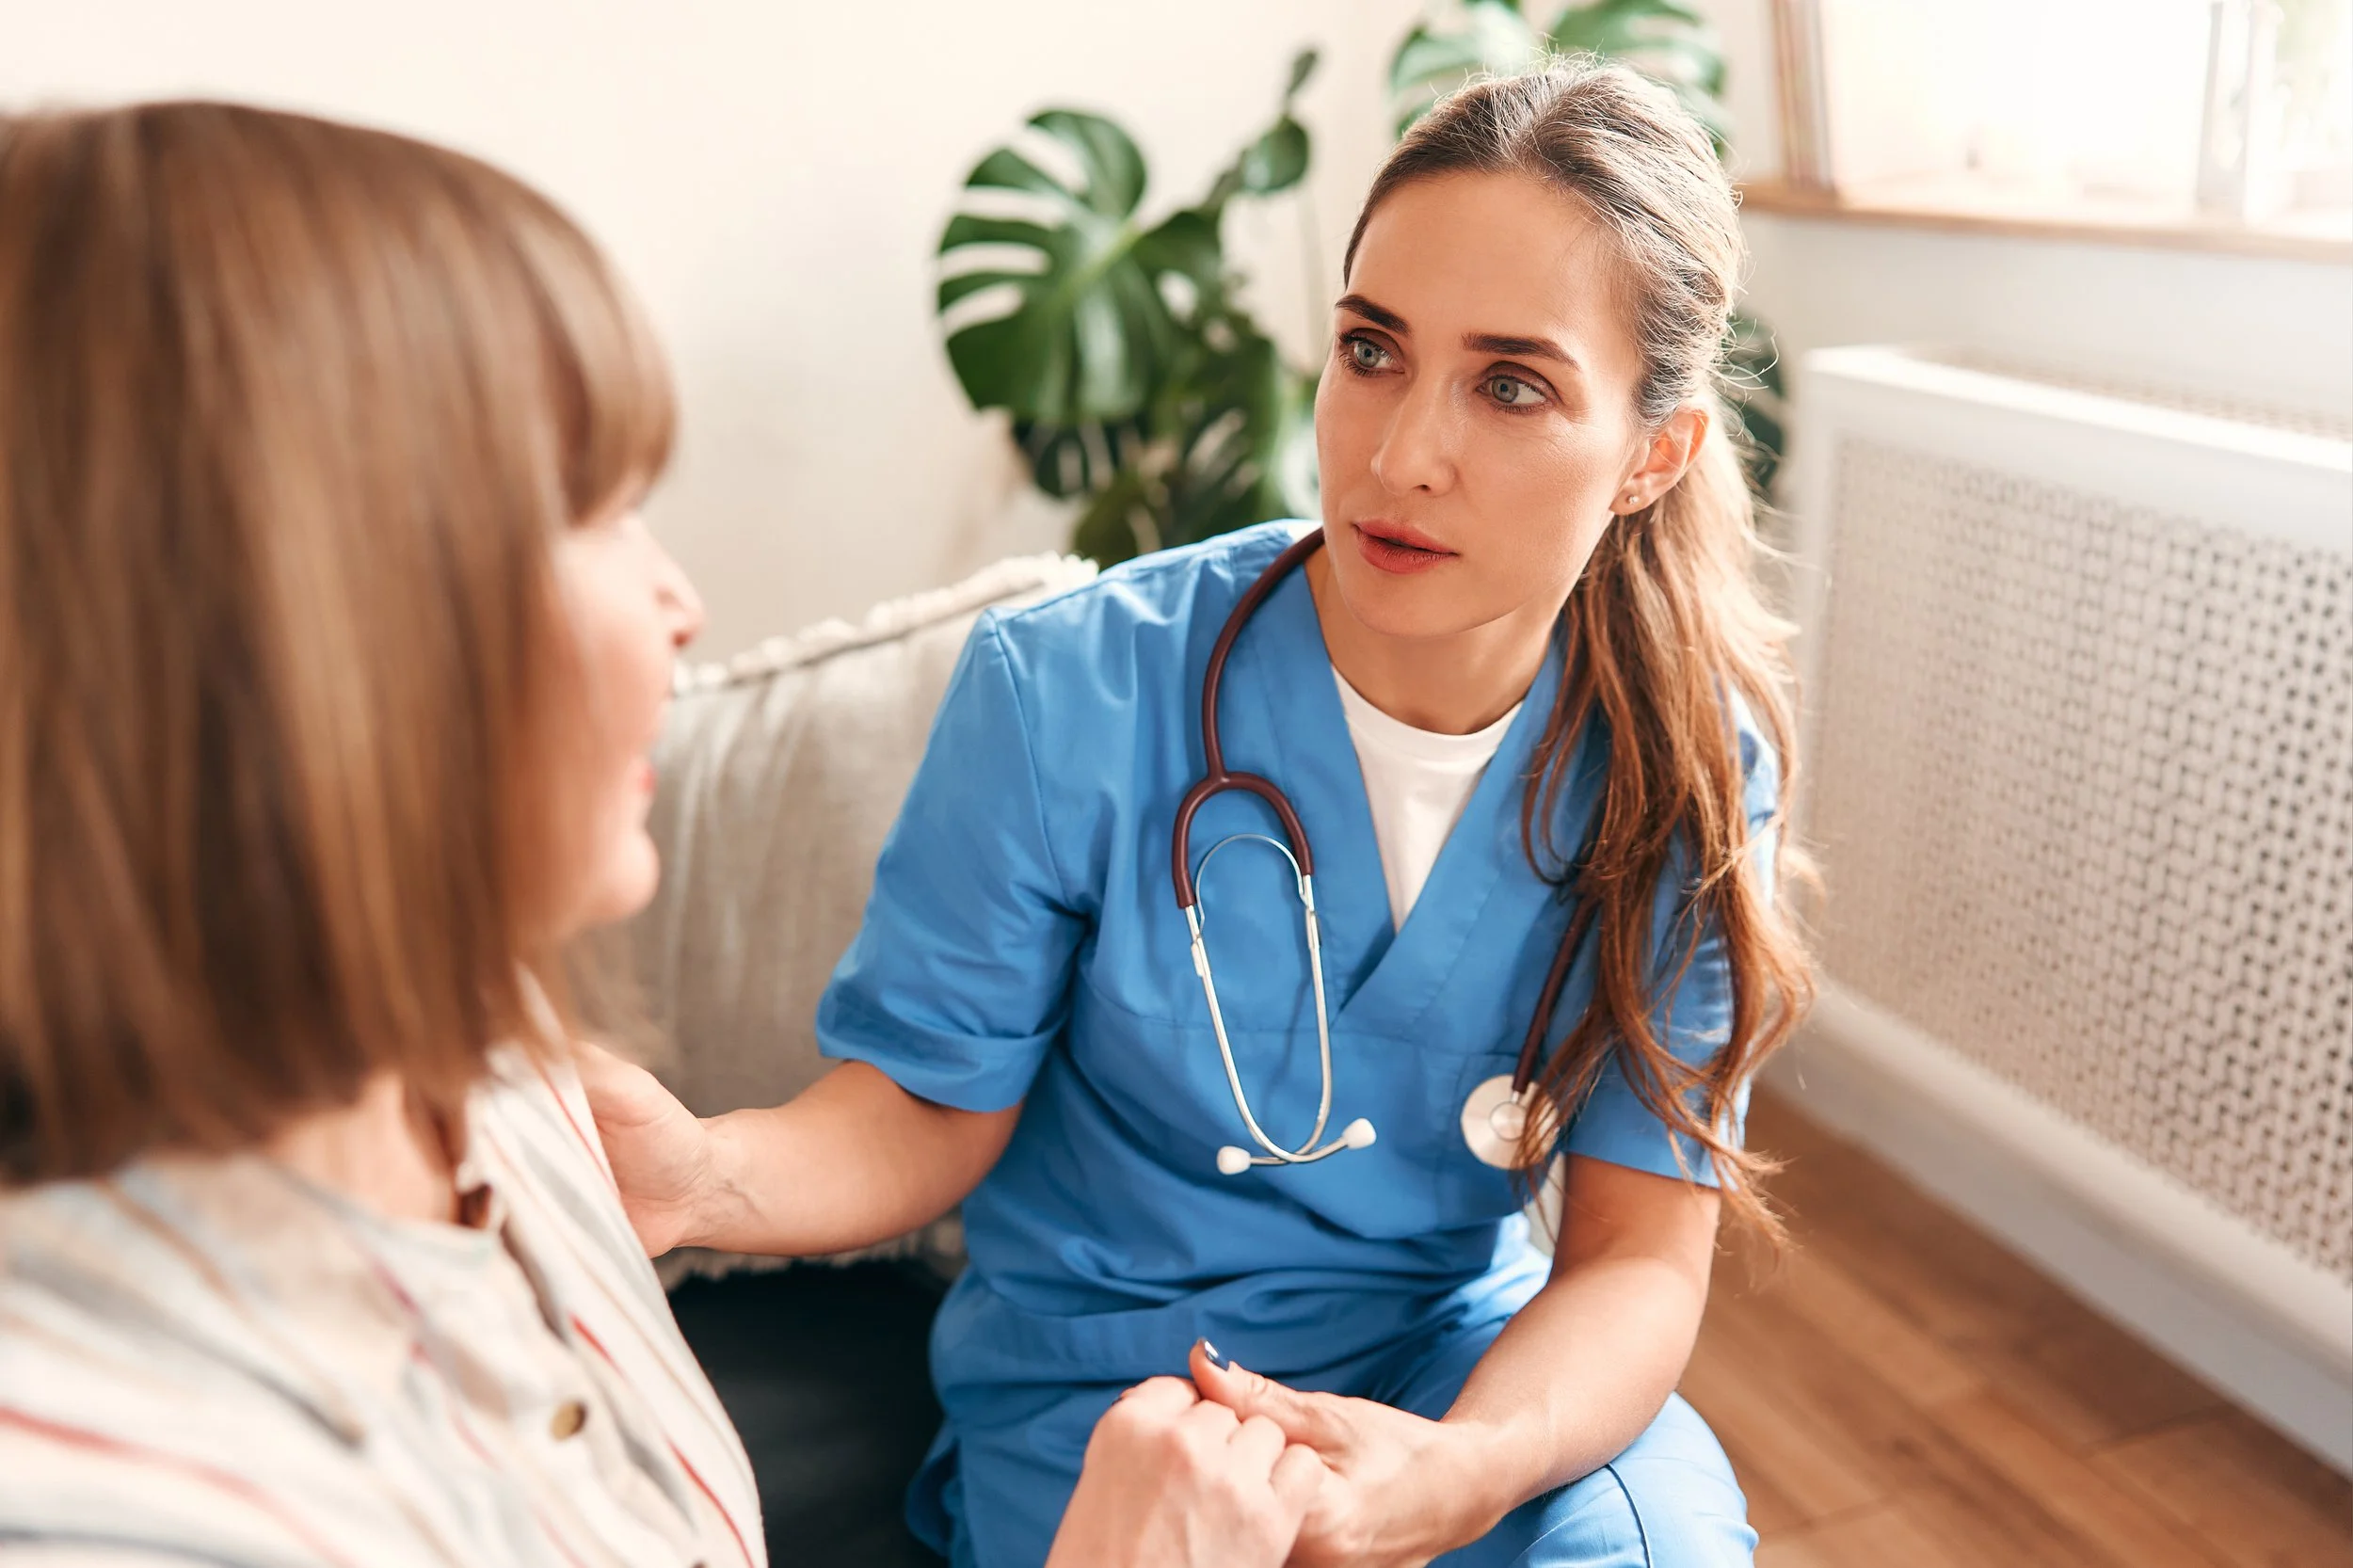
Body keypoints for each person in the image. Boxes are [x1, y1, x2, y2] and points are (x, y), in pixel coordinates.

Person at [0, 101, 1320, 1568]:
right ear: (310, 631)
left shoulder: (493, 1073)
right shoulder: (96, 1502)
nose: (680, 602)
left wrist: (705, 1177)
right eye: (599, 514)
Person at [583, 57, 1813, 1568]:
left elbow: (1636, 1255)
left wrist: (1467, 1467)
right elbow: (924, 1104)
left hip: (1447, 1373)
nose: (1398, 453)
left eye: (1510, 385)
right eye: (1372, 349)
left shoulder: (1685, 770)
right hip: (1116, 1390)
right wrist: (703, 1174)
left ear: (1651, 454)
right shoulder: (1069, 692)